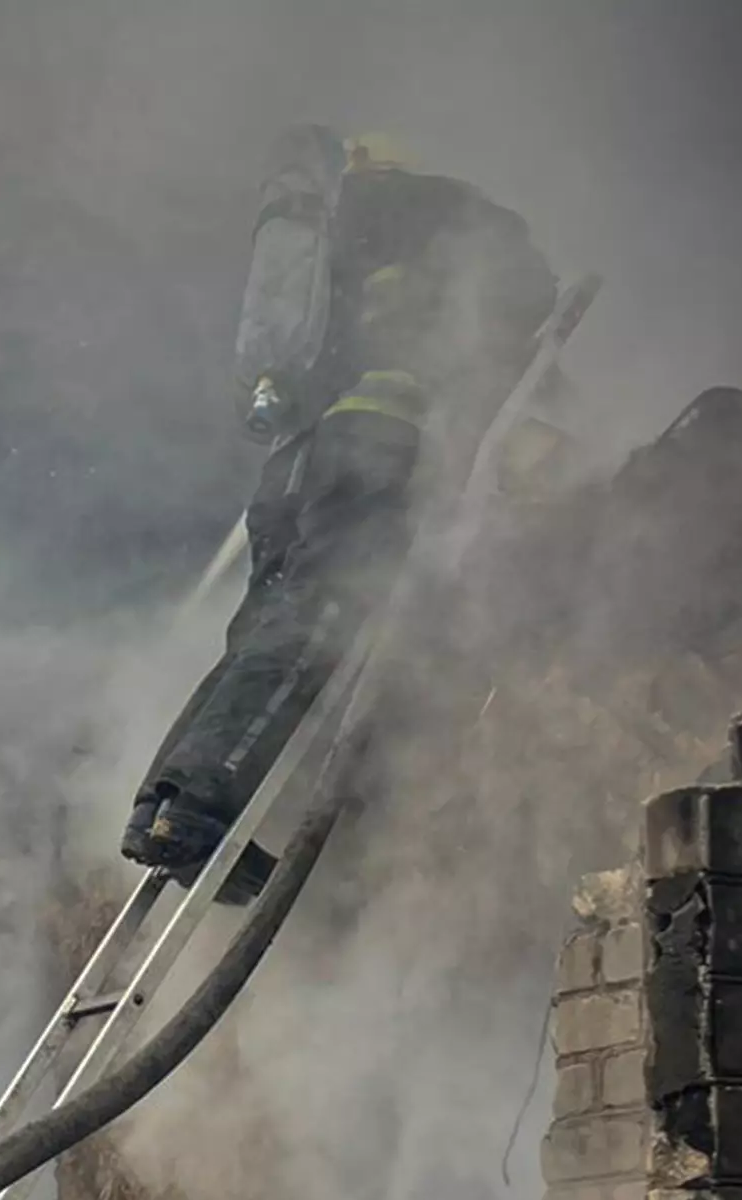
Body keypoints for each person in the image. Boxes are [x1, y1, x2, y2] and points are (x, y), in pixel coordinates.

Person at [121, 129, 559, 884]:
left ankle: (162, 803)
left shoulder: (318, 247)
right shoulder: (434, 210)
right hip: (369, 446)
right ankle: (198, 811)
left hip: (288, 465)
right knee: (319, 624)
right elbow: (530, 287)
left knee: (261, 632)